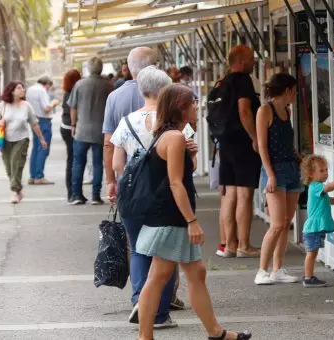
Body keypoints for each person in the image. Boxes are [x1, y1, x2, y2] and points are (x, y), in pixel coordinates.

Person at [135, 84, 252, 340]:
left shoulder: (169, 135)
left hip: (169, 214)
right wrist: (192, 221)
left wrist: (192, 156)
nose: (197, 107)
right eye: (193, 102)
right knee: (159, 276)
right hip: (171, 216)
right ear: (181, 107)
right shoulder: (174, 137)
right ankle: (145, 336)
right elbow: (176, 183)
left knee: (193, 272)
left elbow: (180, 178)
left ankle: (215, 332)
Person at [103, 47, 187, 312]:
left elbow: (117, 163)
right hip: (166, 194)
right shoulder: (174, 124)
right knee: (166, 250)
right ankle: (161, 307)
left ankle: (139, 300)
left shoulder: (126, 122)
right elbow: (189, 162)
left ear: (141, 90)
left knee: (139, 248)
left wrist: (115, 181)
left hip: (134, 194)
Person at [253, 73, 303, 285]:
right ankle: (261, 270)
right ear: (287, 90)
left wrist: (299, 159)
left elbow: (286, 142)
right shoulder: (265, 110)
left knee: (284, 223)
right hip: (274, 169)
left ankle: (277, 268)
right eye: (294, 90)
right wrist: (270, 175)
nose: (296, 94)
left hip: (291, 167)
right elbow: (262, 147)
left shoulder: (287, 111)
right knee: (276, 224)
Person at [218, 45, 262, 258]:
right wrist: (255, 138)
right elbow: (244, 111)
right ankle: (244, 245)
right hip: (242, 143)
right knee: (245, 193)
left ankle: (229, 245)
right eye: (252, 59)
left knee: (229, 194)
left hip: (225, 143)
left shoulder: (222, 82)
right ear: (242, 62)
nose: (254, 62)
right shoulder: (243, 81)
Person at [299, 155, 334, 287]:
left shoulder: (318, 188)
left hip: (314, 228)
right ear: (311, 174)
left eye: (326, 169)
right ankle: (308, 278)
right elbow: (329, 188)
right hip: (313, 228)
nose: (326, 173)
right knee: (311, 253)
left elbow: (329, 200)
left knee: (313, 252)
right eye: (321, 171)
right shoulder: (315, 186)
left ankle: (308, 275)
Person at [67, 57, 113, 205]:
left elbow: (73, 107)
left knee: (78, 162)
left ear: (88, 68)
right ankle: (95, 196)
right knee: (98, 163)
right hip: (101, 130)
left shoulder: (79, 85)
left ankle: (76, 195)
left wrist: (73, 124)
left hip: (81, 129)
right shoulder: (108, 86)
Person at [0, 81, 47, 204]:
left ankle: (14, 192)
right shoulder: (4, 104)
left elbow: (34, 123)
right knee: (9, 168)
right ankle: (18, 189)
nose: (22, 90)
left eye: (23, 88)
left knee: (16, 164)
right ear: (12, 91)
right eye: (19, 88)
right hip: (5, 140)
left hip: (22, 139)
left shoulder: (26, 106)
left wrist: (42, 139)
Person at [26, 75, 59, 185]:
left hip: (34, 120)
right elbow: (46, 108)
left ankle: (33, 175)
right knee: (43, 148)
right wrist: (54, 102)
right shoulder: (42, 91)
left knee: (35, 147)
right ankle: (39, 175)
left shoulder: (30, 89)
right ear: (47, 84)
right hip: (44, 121)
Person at [60, 69, 83, 202]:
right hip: (71, 128)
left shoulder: (67, 93)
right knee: (73, 160)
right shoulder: (73, 94)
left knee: (72, 159)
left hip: (65, 127)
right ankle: (72, 192)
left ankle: (73, 191)